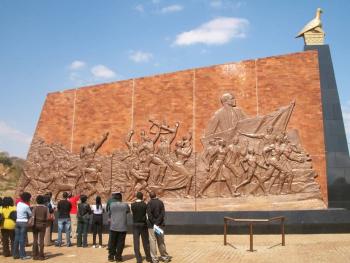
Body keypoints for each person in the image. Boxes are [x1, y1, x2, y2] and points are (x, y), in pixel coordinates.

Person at [147, 191, 171, 263]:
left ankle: (154, 259)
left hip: (152, 226)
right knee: (161, 241)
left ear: (150, 196)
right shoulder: (160, 202)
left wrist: (154, 223)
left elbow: (149, 215)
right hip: (159, 226)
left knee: (152, 242)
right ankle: (164, 257)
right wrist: (157, 223)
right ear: (155, 195)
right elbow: (162, 213)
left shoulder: (149, 203)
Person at [108, 192, 130, 262]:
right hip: (122, 227)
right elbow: (128, 211)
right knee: (120, 243)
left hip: (113, 226)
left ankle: (111, 257)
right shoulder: (125, 205)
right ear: (121, 198)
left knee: (112, 242)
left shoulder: (111, 205)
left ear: (114, 198)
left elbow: (109, 212)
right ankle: (118, 257)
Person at [131, 192, 152, 263]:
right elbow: (147, 214)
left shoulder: (132, 205)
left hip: (135, 224)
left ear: (136, 197)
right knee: (146, 242)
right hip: (143, 224)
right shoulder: (144, 204)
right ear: (142, 197)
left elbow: (132, 213)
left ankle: (138, 259)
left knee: (136, 242)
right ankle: (148, 257)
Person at [13, 192, 32, 260]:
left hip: (17, 222)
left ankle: (15, 254)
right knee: (22, 239)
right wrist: (29, 221)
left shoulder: (18, 204)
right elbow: (30, 214)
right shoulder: (26, 206)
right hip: (23, 223)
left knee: (16, 239)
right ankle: (23, 255)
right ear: (28, 199)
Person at [32, 195, 49, 260]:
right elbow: (47, 218)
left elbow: (32, 216)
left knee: (35, 240)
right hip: (42, 225)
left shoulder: (34, 208)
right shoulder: (45, 208)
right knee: (41, 240)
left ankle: (34, 255)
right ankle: (41, 256)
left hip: (35, 225)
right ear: (43, 201)